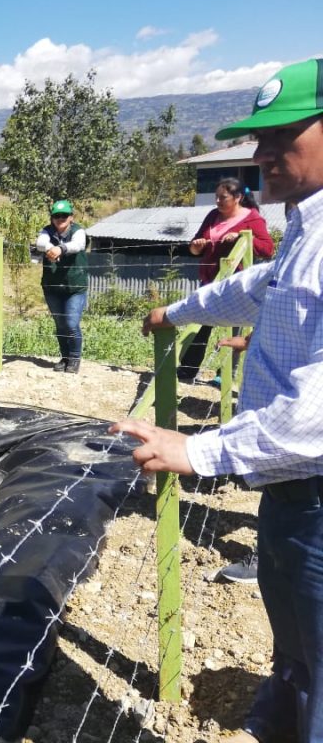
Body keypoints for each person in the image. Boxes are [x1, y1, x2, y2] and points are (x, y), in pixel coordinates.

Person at [110, 58, 323, 743]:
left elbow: (314, 418)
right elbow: (258, 287)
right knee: (295, 637)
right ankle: (284, 713)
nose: (261, 156)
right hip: (292, 492)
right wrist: (178, 313)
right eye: (258, 139)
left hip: (314, 488)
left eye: (281, 136)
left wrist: (196, 449)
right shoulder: (306, 229)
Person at [178, 178, 274, 382]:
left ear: (238, 197)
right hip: (210, 280)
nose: (218, 202)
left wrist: (241, 236)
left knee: (235, 328)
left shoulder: (252, 219)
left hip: (236, 283)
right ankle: (187, 369)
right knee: (200, 324)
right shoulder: (213, 215)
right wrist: (197, 245)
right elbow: (194, 247)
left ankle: (225, 376)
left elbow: (267, 248)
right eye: (216, 197)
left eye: (223, 197)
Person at [35, 200, 89, 373]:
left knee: (71, 323)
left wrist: (61, 249)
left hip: (74, 287)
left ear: (71, 217)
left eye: (64, 215)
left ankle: (74, 358)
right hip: (52, 287)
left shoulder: (78, 231)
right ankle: (65, 357)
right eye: (56, 216)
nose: (60, 219)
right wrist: (51, 248)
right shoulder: (47, 231)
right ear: (52, 218)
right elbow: (40, 243)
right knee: (60, 324)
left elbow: (79, 244)